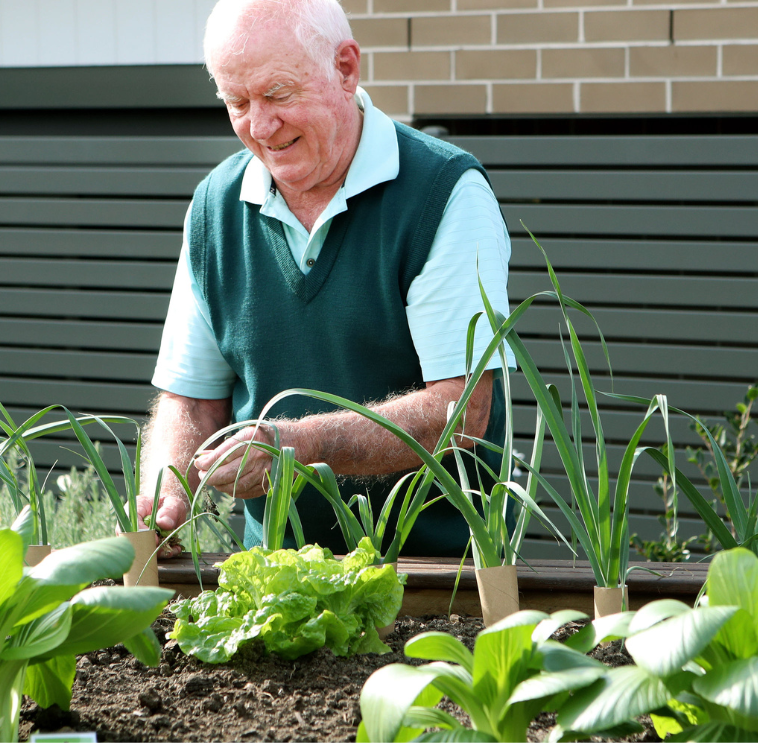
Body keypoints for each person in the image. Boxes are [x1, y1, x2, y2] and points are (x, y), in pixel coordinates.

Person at [136, 0, 512, 557]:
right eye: (237, 102)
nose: (260, 126)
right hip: (271, 581)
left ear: (345, 68)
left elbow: (459, 412)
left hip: (436, 579)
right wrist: (168, 491)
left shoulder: (442, 193)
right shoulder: (215, 206)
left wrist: (293, 447)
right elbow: (190, 399)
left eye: (279, 95)